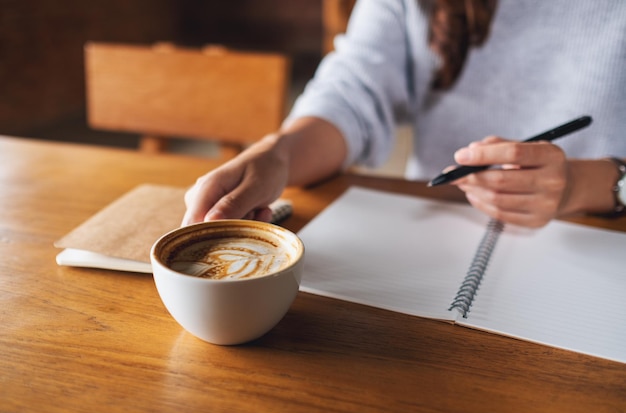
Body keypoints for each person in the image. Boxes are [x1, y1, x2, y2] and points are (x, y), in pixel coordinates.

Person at [182, 0, 626, 229]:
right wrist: (278, 152)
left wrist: (585, 185)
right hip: (432, 231)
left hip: (602, 238)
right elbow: (353, 91)